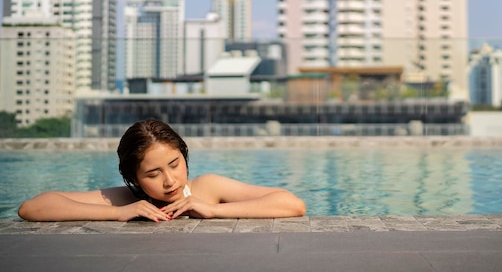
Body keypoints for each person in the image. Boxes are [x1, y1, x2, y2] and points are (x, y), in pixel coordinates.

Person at [18, 119, 306, 222]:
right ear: (134, 178)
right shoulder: (126, 200)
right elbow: (32, 208)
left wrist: (213, 210)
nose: (170, 181)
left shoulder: (208, 188)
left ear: (184, 156)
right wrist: (117, 213)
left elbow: (292, 204)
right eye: (153, 175)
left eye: (175, 165)